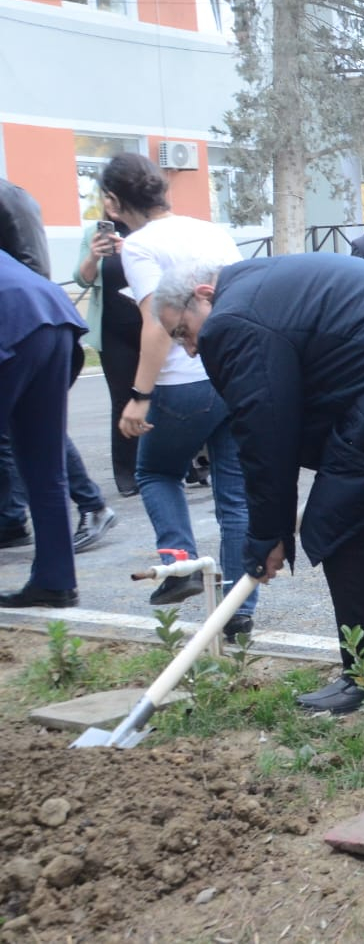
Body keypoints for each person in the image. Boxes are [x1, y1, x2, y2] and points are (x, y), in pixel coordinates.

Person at [152, 255, 364, 713]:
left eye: (181, 332)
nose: (190, 350)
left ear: (202, 296)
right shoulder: (258, 289)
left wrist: (266, 535)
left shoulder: (231, 320)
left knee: (346, 533)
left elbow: (264, 430)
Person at [100, 152, 256, 633]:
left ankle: (180, 559)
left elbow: (156, 322)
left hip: (181, 379)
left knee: (154, 471)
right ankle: (238, 614)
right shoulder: (211, 231)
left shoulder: (139, 245)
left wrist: (140, 394)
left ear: (112, 201)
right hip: (230, 374)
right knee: (234, 496)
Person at [0, 181, 117, 555]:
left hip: (18, 319)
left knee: (34, 430)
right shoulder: (15, 194)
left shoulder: (9, 196)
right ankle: (14, 518)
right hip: (34, 314)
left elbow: (28, 263)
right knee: (30, 430)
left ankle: (89, 504)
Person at [0, 250, 88, 608]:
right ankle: (55, 581)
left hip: (10, 321)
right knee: (44, 464)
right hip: (53, 315)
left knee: (41, 462)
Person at [75, 219, 143, 497]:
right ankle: (127, 472)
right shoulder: (95, 233)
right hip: (113, 330)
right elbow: (82, 278)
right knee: (123, 400)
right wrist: (93, 255)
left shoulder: (149, 229)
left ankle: (184, 464)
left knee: (165, 395)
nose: (110, 201)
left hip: (152, 325)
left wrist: (131, 249)